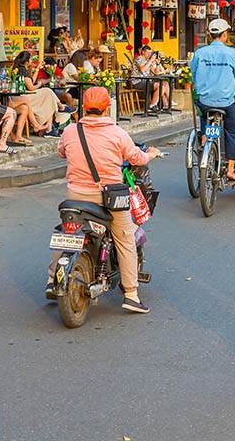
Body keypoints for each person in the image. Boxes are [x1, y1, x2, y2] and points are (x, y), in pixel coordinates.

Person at [56, 86, 161, 313]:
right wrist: (151, 154)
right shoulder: (117, 133)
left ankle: (51, 280)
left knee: (68, 233)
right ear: (106, 108)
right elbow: (137, 158)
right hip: (108, 198)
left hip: (75, 195)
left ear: (83, 106)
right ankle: (131, 294)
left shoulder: (70, 131)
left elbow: (61, 152)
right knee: (125, 237)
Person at [190, 18, 235, 184]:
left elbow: (193, 75)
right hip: (225, 102)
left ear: (210, 34)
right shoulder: (232, 53)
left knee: (204, 114)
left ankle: (204, 140)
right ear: (224, 35)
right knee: (231, 131)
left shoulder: (200, 53)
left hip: (205, 101)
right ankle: (230, 169)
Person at [9, 50, 66, 140]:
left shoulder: (19, 69)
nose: (32, 61)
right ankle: (60, 107)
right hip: (24, 96)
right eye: (31, 59)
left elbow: (31, 81)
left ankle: (50, 126)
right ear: (27, 61)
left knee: (48, 95)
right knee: (47, 92)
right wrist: (40, 84)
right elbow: (31, 87)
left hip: (23, 95)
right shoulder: (22, 70)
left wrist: (37, 69)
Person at [132, 44, 164, 111]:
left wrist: (157, 64)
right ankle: (152, 105)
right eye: (148, 52)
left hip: (146, 81)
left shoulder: (148, 60)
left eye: (150, 53)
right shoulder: (139, 58)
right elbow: (143, 70)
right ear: (143, 52)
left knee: (162, 86)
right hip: (138, 82)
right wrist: (150, 61)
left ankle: (153, 104)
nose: (149, 54)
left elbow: (156, 72)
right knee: (159, 86)